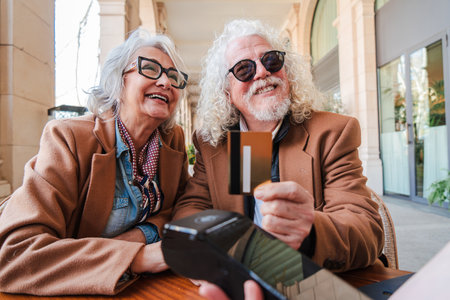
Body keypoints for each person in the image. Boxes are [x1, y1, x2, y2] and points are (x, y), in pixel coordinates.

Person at [173, 18, 384, 278]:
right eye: (244, 69)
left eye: (271, 60)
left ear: (288, 72)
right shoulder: (217, 143)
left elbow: (367, 230)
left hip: (313, 280)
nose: (262, 72)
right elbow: (190, 209)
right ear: (227, 92)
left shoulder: (332, 133)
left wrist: (310, 232)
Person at [0, 28, 189, 295]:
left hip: (137, 288)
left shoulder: (173, 141)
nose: (165, 82)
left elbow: (182, 208)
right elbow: (16, 256)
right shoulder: (67, 138)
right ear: (118, 82)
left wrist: (140, 235)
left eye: (174, 76)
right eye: (150, 68)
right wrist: (138, 256)